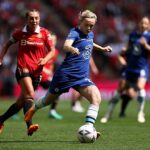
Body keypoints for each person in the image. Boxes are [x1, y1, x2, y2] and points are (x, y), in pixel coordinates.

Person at [24, 9, 112, 139]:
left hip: (81, 77)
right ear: (80, 22)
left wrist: (102, 48)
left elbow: (90, 43)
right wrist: (72, 48)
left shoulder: (90, 34)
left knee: (96, 98)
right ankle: (33, 109)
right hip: (65, 75)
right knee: (48, 100)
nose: (89, 28)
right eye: (87, 25)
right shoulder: (74, 32)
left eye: (92, 25)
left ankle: (88, 127)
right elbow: (66, 45)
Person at [0, 9, 55, 135]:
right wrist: (1, 58)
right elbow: (6, 45)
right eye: (31, 18)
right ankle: (29, 126)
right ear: (27, 20)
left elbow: (52, 50)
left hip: (37, 72)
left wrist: (45, 59)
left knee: (20, 102)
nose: (34, 20)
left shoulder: (45, 33)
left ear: (39, 19)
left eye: (36, 18)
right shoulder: (20, 33)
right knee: (30, 95)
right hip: (22, 68)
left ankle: (1, 119)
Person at [100, 16, 150, 123]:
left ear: (148, 26)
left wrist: (145, 45)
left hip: (141, 67)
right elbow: (127, 47)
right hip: (129, 67)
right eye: (141, 22)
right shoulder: (133, 35)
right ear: (139, 24)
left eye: (145, 23)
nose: (143, 25)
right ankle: (108, 114)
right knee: (119, 91)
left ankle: (140, 113)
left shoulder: (149, 37)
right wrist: (124, 50)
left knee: (140, 88)